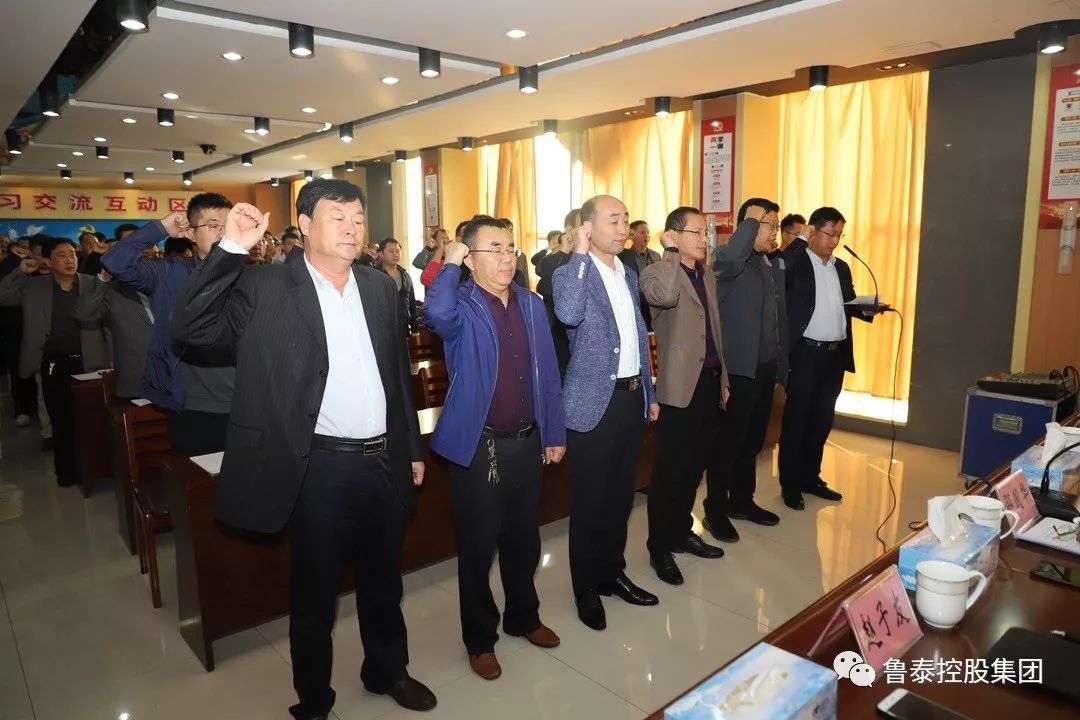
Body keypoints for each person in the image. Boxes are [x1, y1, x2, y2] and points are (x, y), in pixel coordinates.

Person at [170, 179, 436, 719]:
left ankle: (388, 671)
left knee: (383, 582)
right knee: (315, 594)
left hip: (382, 461)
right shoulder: (265, 284)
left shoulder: (378, 286)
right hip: (318, 467)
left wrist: (410, 447)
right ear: (306, 225)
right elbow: (190, 324)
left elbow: (395, 376)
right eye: (338, 217)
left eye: (358, 217)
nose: (352, 228)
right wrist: (232, 247)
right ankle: (314, 699)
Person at [424, 215, 565, 681]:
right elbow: (435, 315)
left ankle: (524, 617)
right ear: (470, 257)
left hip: (527, 441)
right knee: (478, 547)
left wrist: (554, 432)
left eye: (510, 248)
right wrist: (449, 264)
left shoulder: (531, 303)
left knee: (524, 541)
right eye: (495, 249)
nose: (507, 257)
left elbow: (548, 371)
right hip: (479, 446)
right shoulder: (462, 305)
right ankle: (480, 639)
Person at [553, 195, 659, 631]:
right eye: (613, 220)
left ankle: (612, 574)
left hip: (630, 399)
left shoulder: (627, 273)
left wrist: (649, 391)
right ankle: (586, 589)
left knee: (619, 498)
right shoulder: (569, 273)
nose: (623, 228)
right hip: (592, 403)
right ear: (587, 227)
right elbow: (568, 313)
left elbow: (636, 334)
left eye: (626, 220)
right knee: (591, 502)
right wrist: (579, 253)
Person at [102, 193, 236, 455]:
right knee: (196, 478)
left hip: (248, 405)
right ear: (191, 233)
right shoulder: (169, 272)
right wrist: (160, 228)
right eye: (212, 225)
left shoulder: (252, 276)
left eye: (227, 226)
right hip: (193, 407)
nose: (222, 233)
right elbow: (115, 262)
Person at [640, 206, 729, 586]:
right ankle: (659, 546)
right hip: (679, 387)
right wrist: (671, 252)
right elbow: (663, 296)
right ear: (674, 235)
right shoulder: (657, 271)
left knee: (694, 468)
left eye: (704, 232)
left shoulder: (706, 273)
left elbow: (715, 328)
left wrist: (724, 377)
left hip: (709, 382)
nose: (704, 238)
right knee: (670, 472)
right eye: (695, 232)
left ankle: (680, 532)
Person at [779, 207, 880, 510]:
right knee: (797, 420)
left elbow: (847, 303)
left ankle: (811, 477)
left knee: (822, 420)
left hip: (834, 356)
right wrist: (800, 240)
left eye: (839, 235)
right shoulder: (796, 262)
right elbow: (779, 267)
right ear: (812, 231)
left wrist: (866, 309)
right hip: (805, 354)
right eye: (830, 234)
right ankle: (790, 484)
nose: (835, 241)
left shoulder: (841, 267)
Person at [705, 198, 788, 543]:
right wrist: (751, 222)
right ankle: (714, 511)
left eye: (776, 225)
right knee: (728, 444)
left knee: (752, 441)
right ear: (748, 226)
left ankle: (741, 500)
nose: (774, 232)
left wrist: (781, 368)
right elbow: (729, 259)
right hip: (738, 371)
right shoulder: (729, 260)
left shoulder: (764, 264)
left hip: (764, 369)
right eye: (768, 225)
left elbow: (776, 320)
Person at [0, 239, 108, 487]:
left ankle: (94, 471)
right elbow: (3, 294)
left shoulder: (92, 283)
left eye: (72, 254)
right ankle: (66, 472)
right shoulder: (34, 286)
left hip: (89, 362)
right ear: (48, 261)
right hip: (53, 363)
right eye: (61, 255)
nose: (69, 260)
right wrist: (19, 271)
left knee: (91, 421)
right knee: (61, 420)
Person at [75, 246, 154, 400]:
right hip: (136, 382)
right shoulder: (112, 292)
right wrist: (103, 279)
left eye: (147, 258)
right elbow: (83, 313)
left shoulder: (169, 286)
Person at [538, 209, 580, 377]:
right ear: (569, 230)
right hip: (561, 334)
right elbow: (546, 290)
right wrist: (563, 253)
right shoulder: (552, 260)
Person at [618, 220, 660, 330]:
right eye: (642, 232)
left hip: (652, 305)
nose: (646, 235)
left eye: (648, 232)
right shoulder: (622, 255)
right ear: (632, 235)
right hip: (633, 304)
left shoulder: (656, 256)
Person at [378, 238, 418, 335]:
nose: (395, 254)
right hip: (382, 329)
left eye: (398, 251)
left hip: (403, 328)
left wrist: (415, 329)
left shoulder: (405, 276)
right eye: (391, 251)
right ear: (381, 254)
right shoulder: (375, 275)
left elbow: (411, 303)